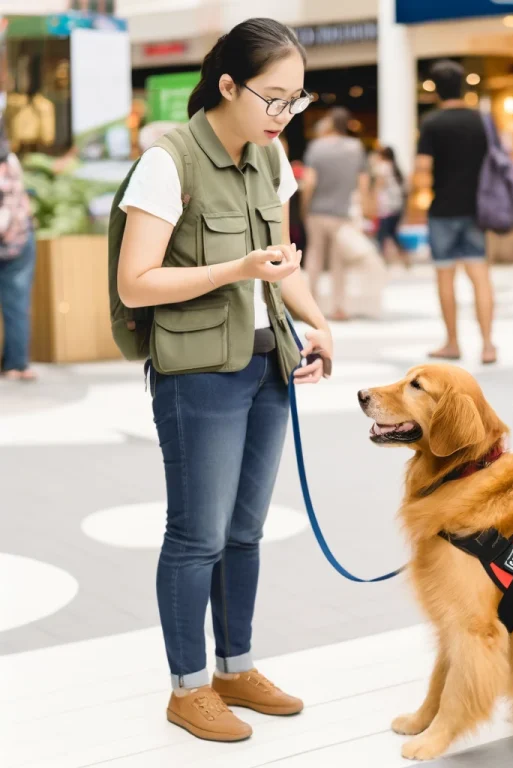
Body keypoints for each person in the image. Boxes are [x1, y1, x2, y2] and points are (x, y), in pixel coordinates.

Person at [116, 18, 333, 742]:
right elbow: (137, 283)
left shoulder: (274, 161)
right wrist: (237, 270)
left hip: (268, 363)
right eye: (275, 99)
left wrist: (318, 324)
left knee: (245, 531)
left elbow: (283, 265)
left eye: (296, 101)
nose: (285, 115)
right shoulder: (168, 160)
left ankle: (235, 667)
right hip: (199, 373)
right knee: (197, 534)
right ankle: (187, 688)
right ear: (229, 85)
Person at [415, 60, 497, 365]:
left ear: (436, 89)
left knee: (445, 277)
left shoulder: (432, 123)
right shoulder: (481, 120)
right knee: (480, 277)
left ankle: (452, 342)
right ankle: (488, 345)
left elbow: (422, 169)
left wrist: (418, 197)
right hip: (477, 209)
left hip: (443, 210)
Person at [302, 107, 369, 320]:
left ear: (330, 123)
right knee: (338, 261)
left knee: (315, 256)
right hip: (343, 212)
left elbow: (310, 181)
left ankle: (311, 303)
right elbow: (364, 182)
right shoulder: (355, 147)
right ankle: (339, 307)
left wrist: (304, 207)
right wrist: (364, 208)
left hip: (318, 211)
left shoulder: (317, 147)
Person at [0, 125, 37, 382]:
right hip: (22, 236)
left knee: (15, 303)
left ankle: (15, 364)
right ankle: (16, 363)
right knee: (16, 304)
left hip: (9, 238)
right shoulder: (10, 158)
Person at [372, 145, 409, 267]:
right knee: (393, 234)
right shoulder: (396, 168)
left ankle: (382, 262)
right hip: (397, 205)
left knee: (381, 235)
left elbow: (379, 186)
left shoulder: (383, 167)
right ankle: (404, 258)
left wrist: (373, 202)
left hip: (386, 206)